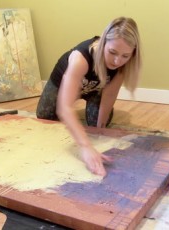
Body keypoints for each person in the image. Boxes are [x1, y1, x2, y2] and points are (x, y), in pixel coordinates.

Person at [36, 17, 142, 177]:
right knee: (44, 116)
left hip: (95, 90)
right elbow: (64, 107)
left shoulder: (123, 64)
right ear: (104, 44)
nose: (117, 60)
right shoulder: (81, 58)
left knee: (96, 127)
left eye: (125, 56)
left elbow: (110, 94)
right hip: (62, 85)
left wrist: (100, 130)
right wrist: (85, 146)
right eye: (112, 52)